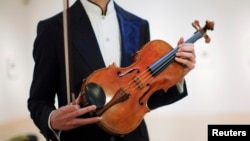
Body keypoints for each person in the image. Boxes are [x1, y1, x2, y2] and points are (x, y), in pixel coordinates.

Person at [27, 0, 196, 141]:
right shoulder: (53, 29)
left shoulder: (138, 25)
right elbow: (38, 100)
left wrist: (178, 75)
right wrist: (51, 119)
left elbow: (145, 99)